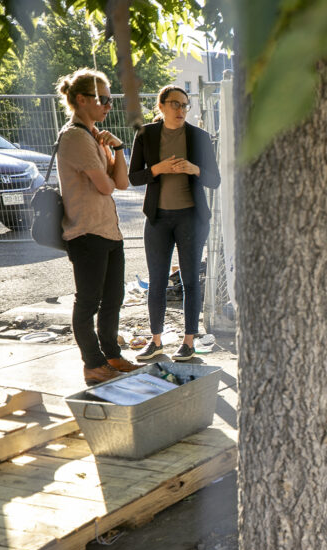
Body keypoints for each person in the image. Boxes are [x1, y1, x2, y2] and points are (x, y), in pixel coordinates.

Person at [55, 68, 141, 386]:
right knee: (89, 301)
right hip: (86, 231)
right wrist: (108, 156)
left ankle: (111, 355)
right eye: (102, 99)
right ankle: (92, 364)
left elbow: (121, 182)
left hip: (108, 230)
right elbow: (105, 187)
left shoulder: (96, 136)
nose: (108, 106)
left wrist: (117, 149)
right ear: (81, 99)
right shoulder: (76, 136)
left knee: (113, 298)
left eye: (110, 99)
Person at [128, 85, 221, 362]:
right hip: (158, 218)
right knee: (156, 280)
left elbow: (214, 180)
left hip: (190, 218)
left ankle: (188, 341)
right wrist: (158, 169)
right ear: (161, 106)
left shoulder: (198, 136)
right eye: (175, 104)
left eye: (185, 105)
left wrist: (194, 169)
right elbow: (134, 177)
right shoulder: (146, 134)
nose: (181, 110)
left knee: (190, 280)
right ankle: (156, 341)